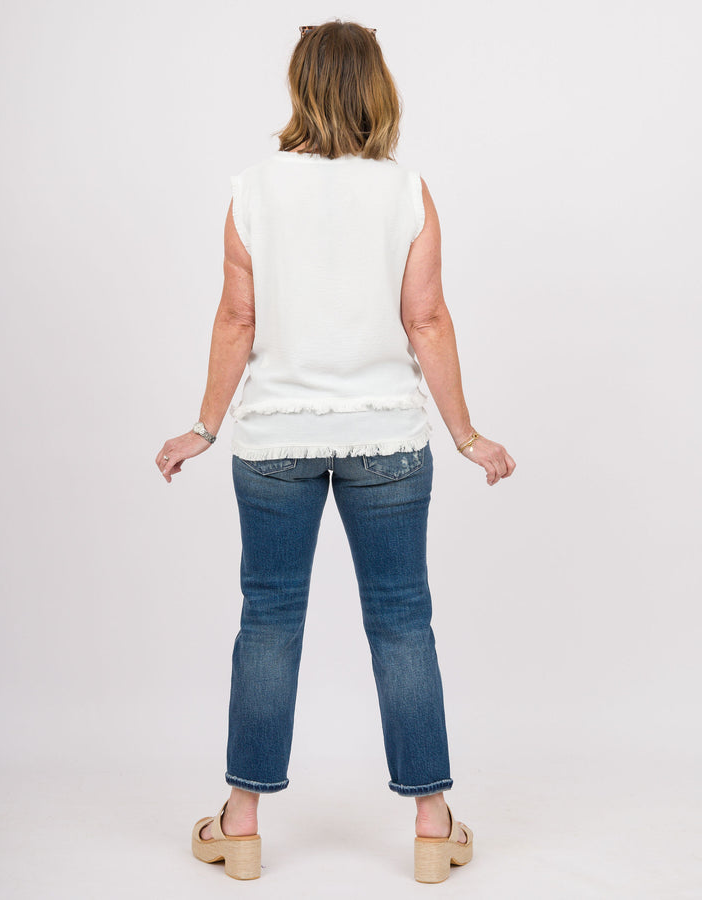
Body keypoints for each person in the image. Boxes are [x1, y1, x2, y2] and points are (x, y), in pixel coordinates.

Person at [156, 19, 515, 883]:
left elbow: (238, 319)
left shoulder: (251, 190)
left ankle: (240, 824)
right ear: (375, 89)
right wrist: (465, 433)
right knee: (401, 620)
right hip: (388, 438)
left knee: (269, 619)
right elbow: (425, 319)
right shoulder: (408, 192)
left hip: (274, 439)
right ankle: (433, 826)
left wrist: (205, 427)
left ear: (301, 86)